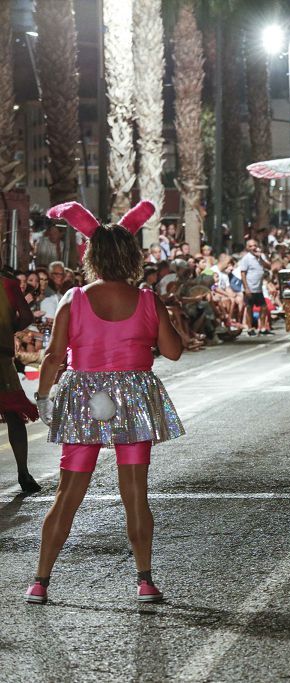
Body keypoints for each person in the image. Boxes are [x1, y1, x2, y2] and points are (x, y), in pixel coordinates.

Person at [27, 200, 185, 605]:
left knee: (68, 493)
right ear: (132, 256)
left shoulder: (74, 298)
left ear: (90, 255)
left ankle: (41, 582)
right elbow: (173, 352)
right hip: (133, 400)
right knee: (136, 492)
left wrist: (45, 398)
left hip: (84, 398)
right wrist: (163, 320)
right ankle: (145, 580)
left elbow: (53, 358)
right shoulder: (148, 299)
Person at [0, 271, 41, 493]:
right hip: (2, 357)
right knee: (14, 415)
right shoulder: (8, 284)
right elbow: (26, 317)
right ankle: (23, 473)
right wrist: (10, 327)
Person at [238, 238, 271, 336]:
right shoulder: (246, 258)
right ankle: (249, 328)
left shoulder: (261, 256)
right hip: (250, 287)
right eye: (250, 246)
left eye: (255, 245)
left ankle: (262, 327)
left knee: (264, 307)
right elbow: (243, 274)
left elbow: (268, 266)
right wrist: (246, 288)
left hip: (259, 287)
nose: (253, 248)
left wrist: (260, 258)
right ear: (247, 248)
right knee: (249, 307)